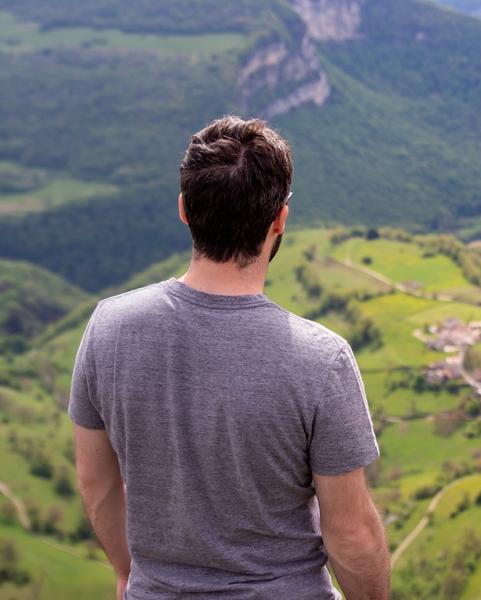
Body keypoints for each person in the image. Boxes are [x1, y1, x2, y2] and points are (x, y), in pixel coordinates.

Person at [68, 115, 389, 600]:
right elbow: (352, 535)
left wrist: (128, 573)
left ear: (184, 210)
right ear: (279, 220)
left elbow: (97, 482)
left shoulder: (108, 328)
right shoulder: (323, 362)